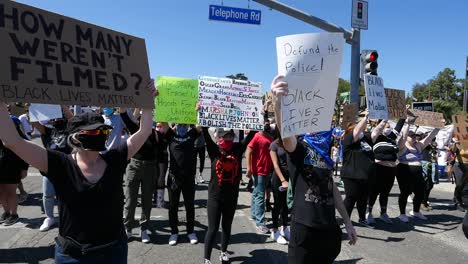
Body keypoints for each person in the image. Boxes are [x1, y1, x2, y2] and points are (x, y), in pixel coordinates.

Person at [0, 82, 157, 263]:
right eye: (92, 132)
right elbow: (12, 141)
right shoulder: (59, 163)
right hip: (73, 256)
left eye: (103, 130)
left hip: (113, 251)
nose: (99, 134)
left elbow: (144, 131)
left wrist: (147, 101)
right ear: (75, 137)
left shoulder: (115, 159)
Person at [270, 75, 357, 264]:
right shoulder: (299, 148)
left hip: (328, 229)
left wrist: (348, 222)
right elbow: (286, 136)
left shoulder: (326, 155)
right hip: (304, 229)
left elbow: (332, 189)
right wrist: (277, 103)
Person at [202, 127, 256, 264]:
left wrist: (262, 115)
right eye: (225, 137)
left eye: (231, 137)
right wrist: (201, 116)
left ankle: (223, 252)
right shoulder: (214, 150)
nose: (228, 139)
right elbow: (205, 133)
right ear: (219, 138)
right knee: (213, 228)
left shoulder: (237, 149)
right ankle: (207, 258)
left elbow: (252, 134)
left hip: (231, 196)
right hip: (215, 196)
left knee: (227, 225)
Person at [120, 107, 161, 243]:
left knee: (147, 200)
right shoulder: (135, 130)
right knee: (130, 200)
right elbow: (123, 114)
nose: (145, 121)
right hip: (134, 166)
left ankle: (144, 229)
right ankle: (128, 229)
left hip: (150, 168)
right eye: (142, 119)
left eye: (147, 119)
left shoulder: (156, 133)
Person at [164, 124, 201, 246]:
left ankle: (190, 231)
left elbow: (199, 126)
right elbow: (163, 122)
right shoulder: (171, 136)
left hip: (189, 178)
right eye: (180, 125)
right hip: (174, 178)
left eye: (184, 125)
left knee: (189, 205)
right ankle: (174, 232)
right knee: (173, 206)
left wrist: (194, 116)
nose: (182, 128)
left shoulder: (191, 135)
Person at [397, 122, 439, 223]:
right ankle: (402, 214)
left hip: (418, 173)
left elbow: (430, 137)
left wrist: (438, 127)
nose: (414, 137)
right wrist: (407, 123)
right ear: (406, 137)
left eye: (415, 136)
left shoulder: (418, 145)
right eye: (411, 136)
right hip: (404, 171)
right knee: (405, 192)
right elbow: (404, 135)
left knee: (420, 192)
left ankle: (416, 211)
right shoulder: (402, 146)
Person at [367, 117, 406, 224]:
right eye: (386, 126)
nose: (388, 127)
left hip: (391, 170)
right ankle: (368, 213)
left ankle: (383, 213)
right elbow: (376, 130)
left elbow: (399, 126)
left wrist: (403, 115)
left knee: (385, 193)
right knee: (374, 192)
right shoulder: (375, 137)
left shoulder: (392, 138)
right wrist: (384, 118)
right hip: (378, 169)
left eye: (389, 126)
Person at [340, 109, 376, 227]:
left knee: (363, 199)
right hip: (351, 175)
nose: (362, 131)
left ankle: (362, 219)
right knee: (351, 198)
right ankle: (345, 220)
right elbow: (356, 131)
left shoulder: (365, 140)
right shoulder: (348, 139)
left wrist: (383, 119)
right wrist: (365, 118)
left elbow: (377, 131)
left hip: (365, 176)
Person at [245, 119, 274, 234]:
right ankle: (260, 223)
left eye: (268, 124)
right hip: (259, 170)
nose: (267, 125)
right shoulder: (257, 136)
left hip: (266, 170)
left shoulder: (269, 136)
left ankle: (254, 214)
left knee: (257, 193)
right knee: (260, 195)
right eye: (265, 123)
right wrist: (248, 168)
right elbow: (248, 151)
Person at [0, 116, 29, 226]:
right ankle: (6, 212)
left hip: (12, 166)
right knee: (1, 192)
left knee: (11, 192)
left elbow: (25, 149)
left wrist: (24, 168)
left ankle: (14, 214)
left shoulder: (12, 126)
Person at [269, 129, 290, 245]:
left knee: (287, 204)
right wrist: (283, 180)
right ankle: (275, 230)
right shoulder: (274, 145)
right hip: (278, 178)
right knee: (278, 204)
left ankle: (285, 227)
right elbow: (275, 165)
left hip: (290, 178)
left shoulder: (291, 143)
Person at [154, 122, 170, 208]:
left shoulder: (166, 135)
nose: (159, 128)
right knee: (155, 178)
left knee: (161, 178)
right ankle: (155, 199)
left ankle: (160, 200)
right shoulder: (153, 135)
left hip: (164, 159)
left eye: (161, 126)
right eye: (157, 126)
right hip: (155, 160)